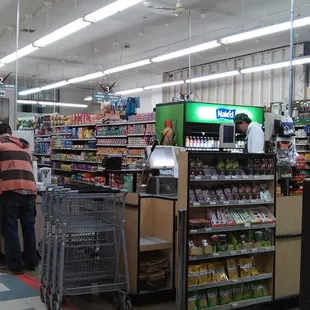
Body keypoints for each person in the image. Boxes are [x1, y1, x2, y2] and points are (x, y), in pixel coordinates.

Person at [0, 124, 37, 274]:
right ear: (10, 133)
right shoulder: (24, 146)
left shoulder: (1, 143)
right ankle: (31, 262)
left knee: (10, 228)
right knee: (29, 228)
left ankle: (15, 267)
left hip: (11, 190)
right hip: (30, 190)